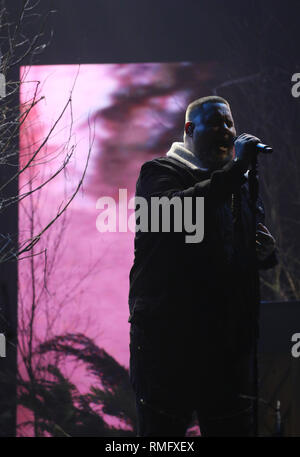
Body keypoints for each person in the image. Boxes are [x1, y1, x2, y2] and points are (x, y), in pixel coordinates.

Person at [128, 95, 277, 436]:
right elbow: (177, 213)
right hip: (167, 347)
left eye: (229, 123)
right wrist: (237, 170)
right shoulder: (158, 174)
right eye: (215, 123)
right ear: (190, 129)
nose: (226, 130)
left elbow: (245, 250)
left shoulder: (237, 186)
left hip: (225, 346)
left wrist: (264, 252)